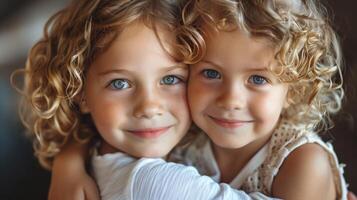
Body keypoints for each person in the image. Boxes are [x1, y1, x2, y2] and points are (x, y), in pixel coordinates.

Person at [49, 0, 350, 199]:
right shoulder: (186, 136)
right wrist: (69, 162)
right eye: (211, 74)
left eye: (258, 79)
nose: (231, 99)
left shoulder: (303, 162)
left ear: (294, 90)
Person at [15, 0, 278, 200]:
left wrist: (68, 161)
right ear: (79, 92)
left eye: (171, 80)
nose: (149, 106)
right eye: (120, 83)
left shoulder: (100, 154)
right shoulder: (149, 183)